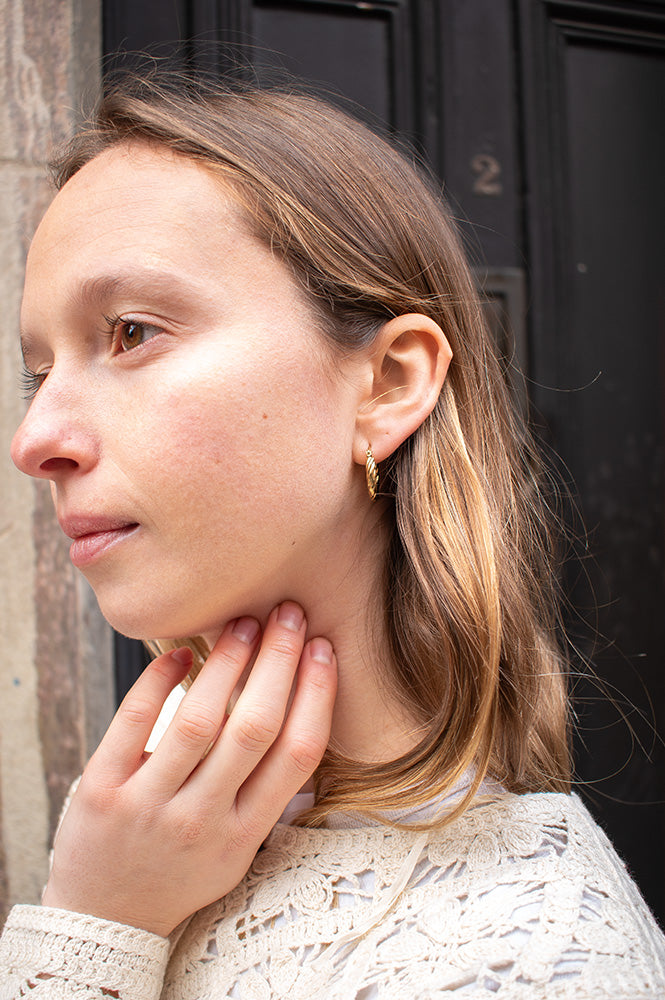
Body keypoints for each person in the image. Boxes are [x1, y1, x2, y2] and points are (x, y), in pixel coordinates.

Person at [1, 70, 664, 999]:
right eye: (38, 375)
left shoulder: (531, 960)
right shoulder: (139, 819)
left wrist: (91, 938)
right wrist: (104, 910)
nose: (35, 442)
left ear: (388, 383)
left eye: (131, 332)